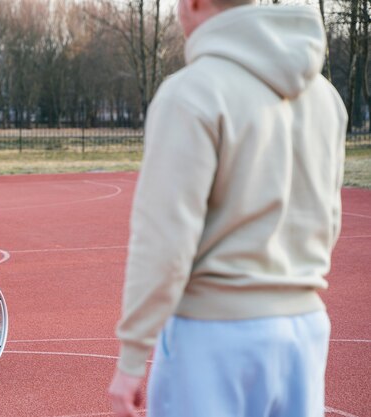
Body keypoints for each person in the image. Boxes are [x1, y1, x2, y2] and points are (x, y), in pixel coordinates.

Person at [108, 0, 347, 416]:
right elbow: (329, 221)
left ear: (194, 3)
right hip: (305, 330)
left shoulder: (191, 91)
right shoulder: (326, 97)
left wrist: (132, 358)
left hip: (212, 335)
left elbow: (164, 242)